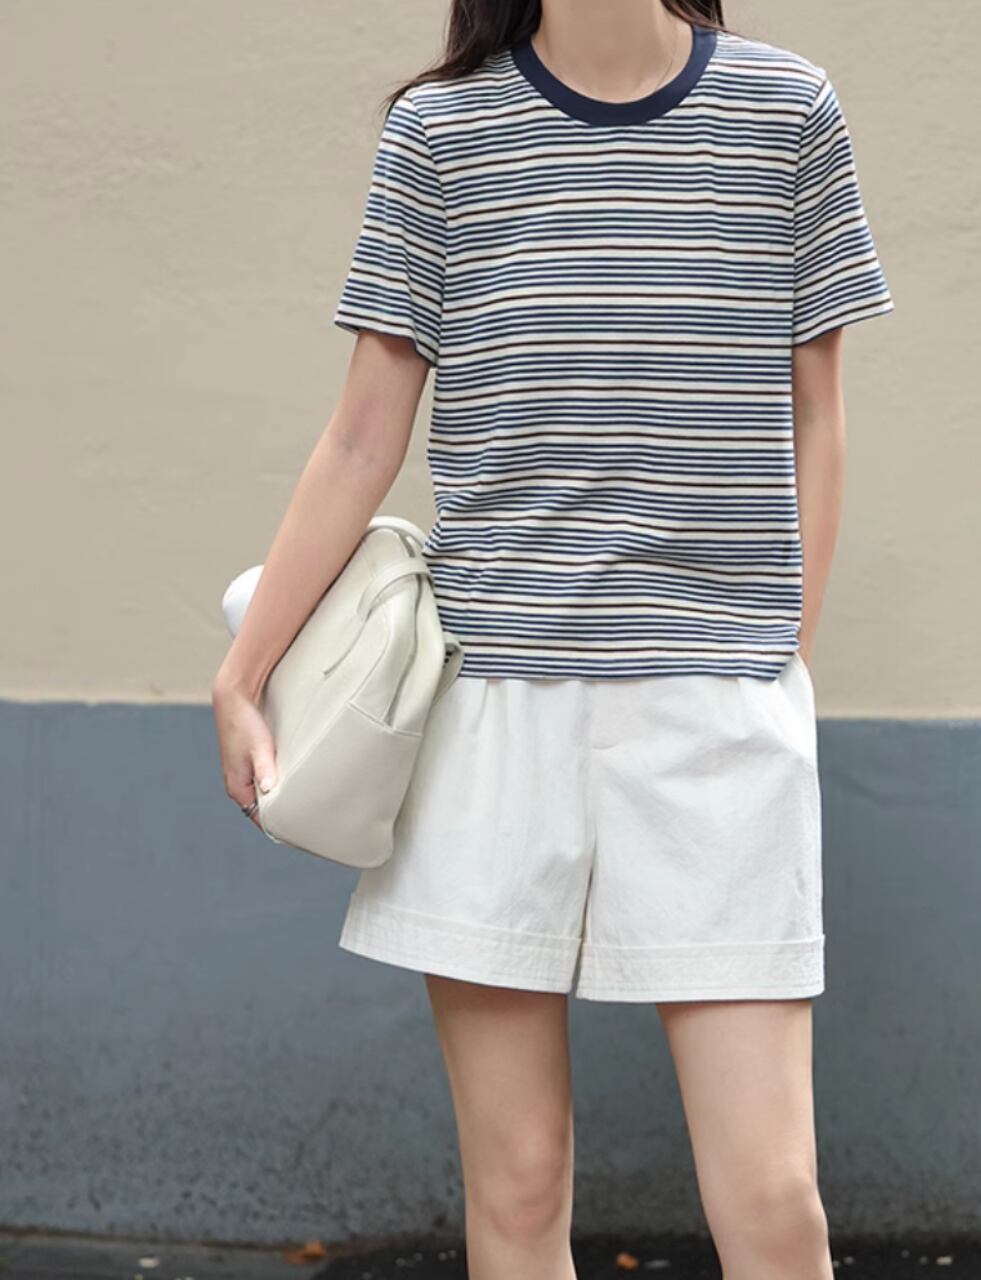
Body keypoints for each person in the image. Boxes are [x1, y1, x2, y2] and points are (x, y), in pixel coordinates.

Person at [212, 0, 894, 1274]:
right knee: (518, 1189)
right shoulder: (440, 133)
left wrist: (774, 651)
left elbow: (818, 410)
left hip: (712, 711)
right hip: (490, 714)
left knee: (773, 1199)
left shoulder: (785, 111)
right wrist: (242, 675)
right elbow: (362, 432)